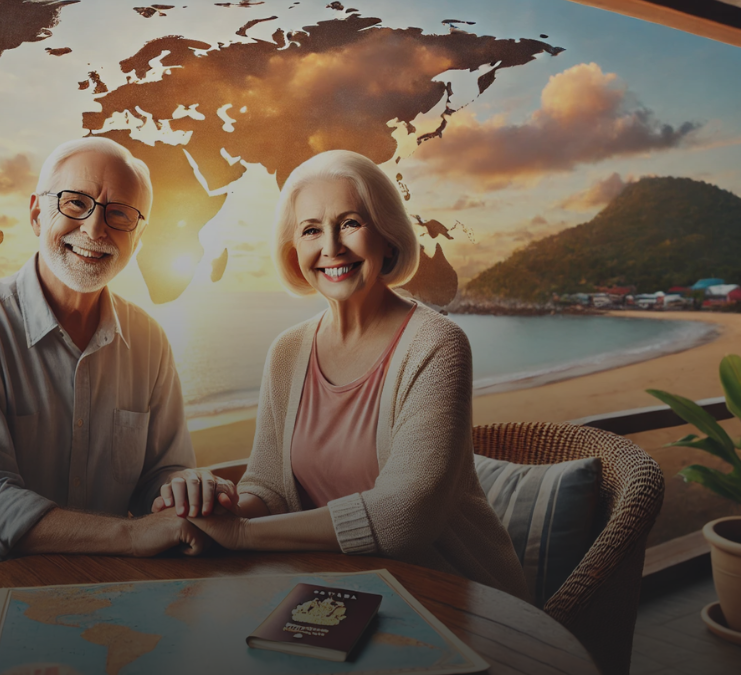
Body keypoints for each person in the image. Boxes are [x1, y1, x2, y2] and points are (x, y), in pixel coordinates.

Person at [158, 150, 530, 601]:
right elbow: (269, 490)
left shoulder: (437, 345)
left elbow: (405, 515)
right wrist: (212, 505)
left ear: (388, 238)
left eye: (351, 223)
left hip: (460, 597)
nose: (331, 246)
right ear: (295, 251)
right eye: (311, 230)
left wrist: (240, 535)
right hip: (338, 592)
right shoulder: (287, 351)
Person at [0, 138, 227, 585]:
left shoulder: (149, 341)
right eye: (75, 203)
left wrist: (184, 488)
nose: (95, 230)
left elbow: (161, 472)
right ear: (36, 213)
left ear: (139, 236)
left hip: (95, 566)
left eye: (120, 214)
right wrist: (131, 536)